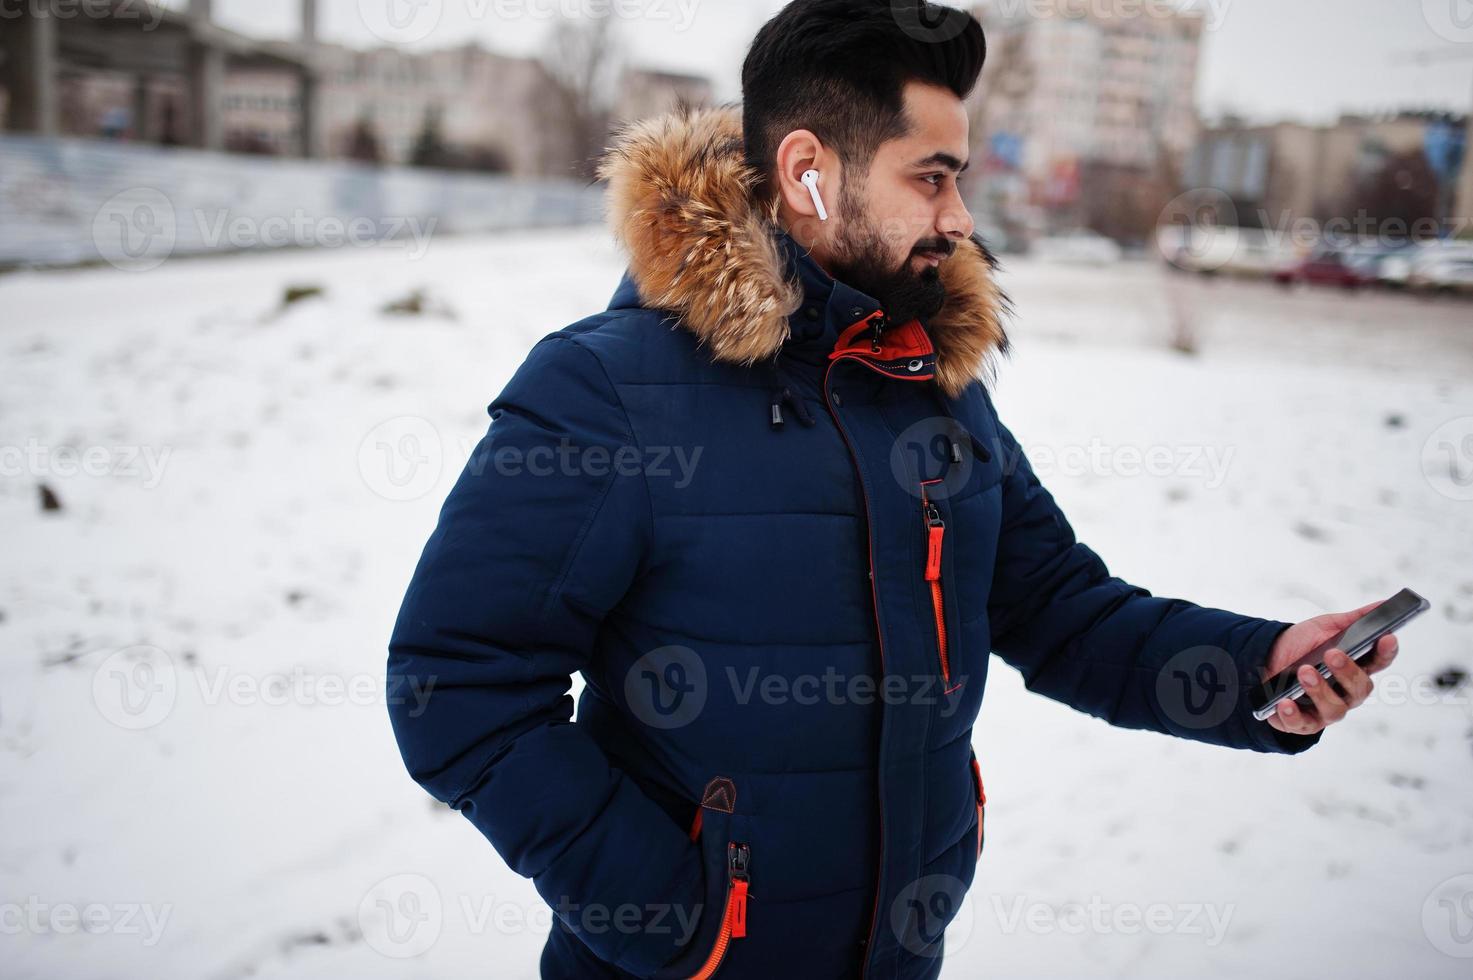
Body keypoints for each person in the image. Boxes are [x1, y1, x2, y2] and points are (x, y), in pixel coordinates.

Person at [385, 2, 1400, 977]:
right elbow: (458, 681)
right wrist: (669, 917)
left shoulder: (930, 383)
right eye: (932, 177)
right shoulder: (608, 390)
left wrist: (1258, 665)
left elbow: (1058, 606)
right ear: (808, 173)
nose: (960, 217)